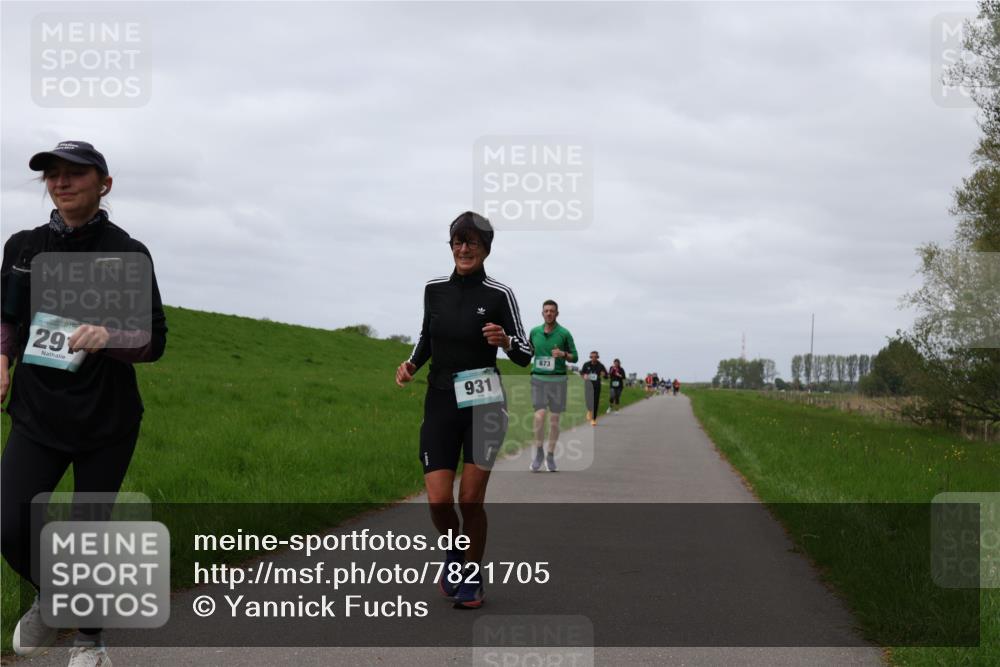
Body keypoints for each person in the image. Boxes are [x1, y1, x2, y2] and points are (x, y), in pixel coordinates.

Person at [1, 141, 168, 666]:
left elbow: (153, 340)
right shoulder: (23, 247)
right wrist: (1, 359)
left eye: (75, 173)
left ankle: (91, 644)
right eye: (52, 174)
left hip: (106, 418)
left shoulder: (127, 252)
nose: (61, 182)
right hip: (37, 411)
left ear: (104, 184)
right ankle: (55, 598)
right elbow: (7, 318)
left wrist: (108, 336)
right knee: (8, 523)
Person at [395, 211, 531, 609]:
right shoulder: (433, 289)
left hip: (484, 402)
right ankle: (456, 553)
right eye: (458, 240)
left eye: (472, 242)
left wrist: (505, 340)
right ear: (451, 245)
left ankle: (472, 576)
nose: (464, 248)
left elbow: (525, 353)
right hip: (440, 400)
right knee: (438, 500)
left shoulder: (498, 294)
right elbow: (426, 338)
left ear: (486, 248)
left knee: (470, 499)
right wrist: (410, 366)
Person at [527, 300, 577, 473]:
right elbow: (529, 351)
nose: (549, 313)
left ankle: (550, 455)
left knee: (554, 420)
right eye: (546, 311)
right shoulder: (534, 332)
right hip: (538, 379)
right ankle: (539, 451)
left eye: (552, 311)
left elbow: (575, 357)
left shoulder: (564, 334)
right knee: (540, 417)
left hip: (558, 381)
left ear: (557, 313)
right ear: (542, 313)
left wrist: (563, 354)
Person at [579, 351, 607, 426]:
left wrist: (604, 374)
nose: (593, 358)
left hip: (597, 386)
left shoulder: (601, 366)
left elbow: (606, 376)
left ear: (597, 357)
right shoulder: (586, 364)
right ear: (590, 357)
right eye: (592, 357)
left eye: (595, 357)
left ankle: (594, 419)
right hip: (588, 385)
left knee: (595, 402)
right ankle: (589, 410)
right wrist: (584, 376)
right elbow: (581, 373)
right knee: (588, 400)